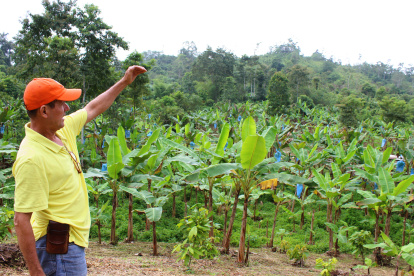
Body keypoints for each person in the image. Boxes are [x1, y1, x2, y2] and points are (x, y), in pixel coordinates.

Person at [13, 65, 147, 276]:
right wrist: (35, 272)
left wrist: (124, 82)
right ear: (44, 111)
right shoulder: (32, 158)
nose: (67, 108)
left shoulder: (62, 129)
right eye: (61, 103)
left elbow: (93, 107)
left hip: (71, 243)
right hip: (57, 247)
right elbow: (21, 220)